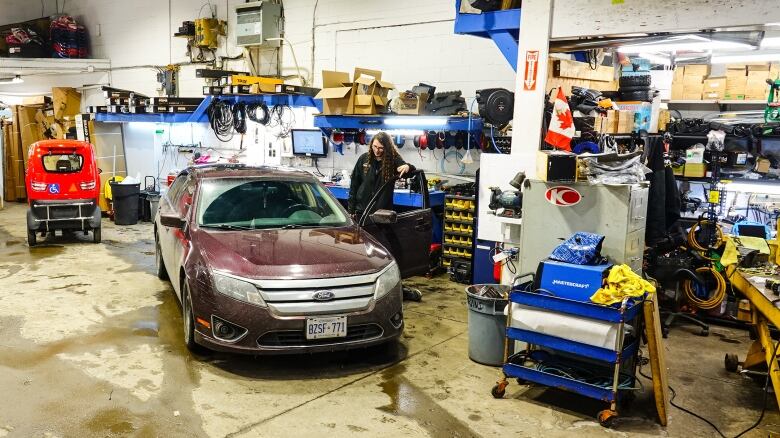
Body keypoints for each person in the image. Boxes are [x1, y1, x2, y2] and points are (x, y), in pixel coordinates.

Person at [347, 131, 414, 219]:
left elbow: (406, 172)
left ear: (387, 148)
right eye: (375, 146)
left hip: (382, 212)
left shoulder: (393, 160)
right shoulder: (364, 158)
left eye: (381, 148)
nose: (377, 150)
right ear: (371, 144)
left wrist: (408, 167)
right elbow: (354, 184)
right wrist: (351, 209)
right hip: (362, 210)